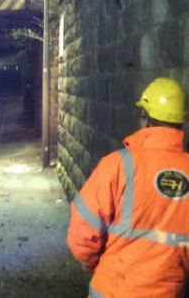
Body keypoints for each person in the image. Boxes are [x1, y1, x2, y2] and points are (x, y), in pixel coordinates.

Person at [67, 77, 189, 297]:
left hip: (113, 290)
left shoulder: (119, 164)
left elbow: (82, 232)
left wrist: (92, 263)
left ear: (145, 118)